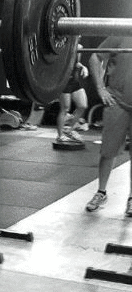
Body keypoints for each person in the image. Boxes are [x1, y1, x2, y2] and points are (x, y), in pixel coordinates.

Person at [85, 36, 132, 214]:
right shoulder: (121, 33)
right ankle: (101, 192)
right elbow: (95, 57)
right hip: (117, 102)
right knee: (108, 152)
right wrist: (100, 88)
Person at [55, 44, 89, 145]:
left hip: (74, 81)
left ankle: (69, 130)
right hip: (63, 81)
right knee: (65, 109)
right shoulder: (62, 47)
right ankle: (60, 136)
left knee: (82, 105)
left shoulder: (79, 47)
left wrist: (83, 67)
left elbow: (76, 63)